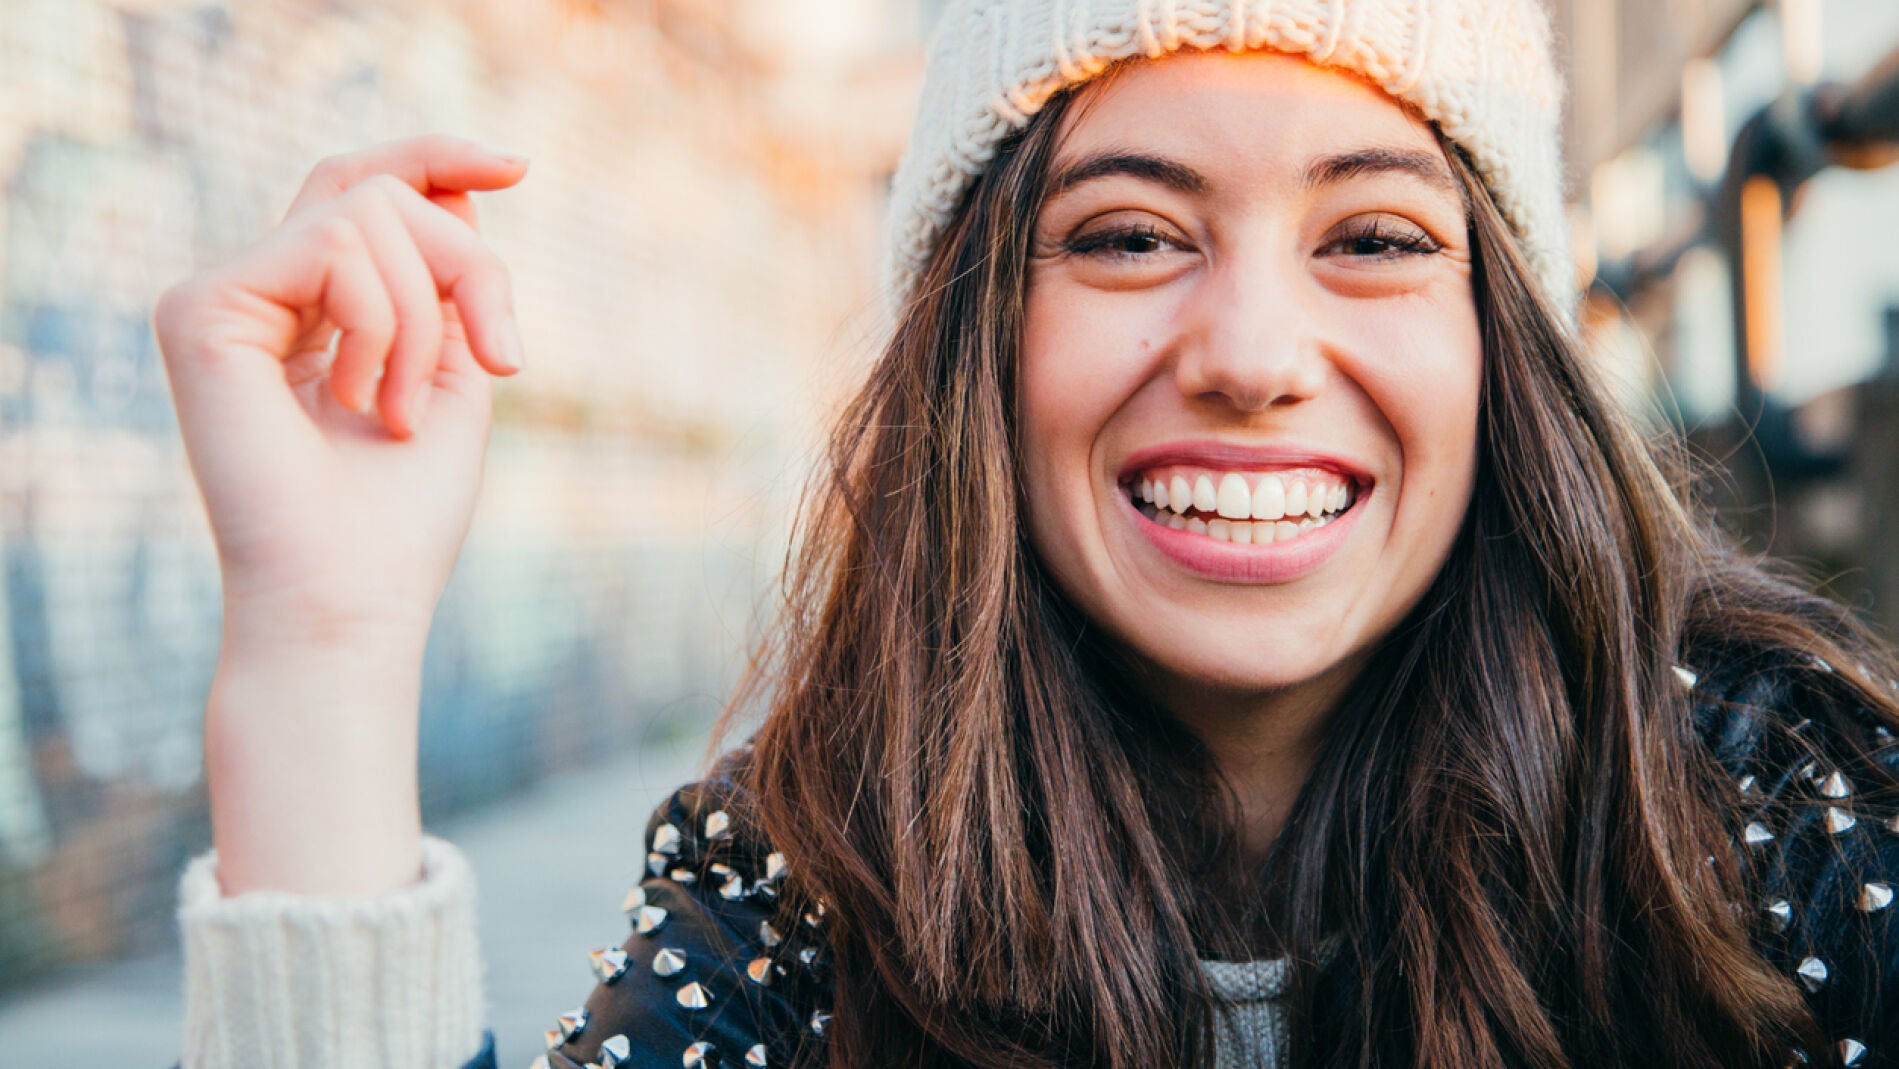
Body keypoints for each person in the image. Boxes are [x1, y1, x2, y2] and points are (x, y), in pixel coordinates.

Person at [154, 0, 1899, 1066]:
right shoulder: (806, 893)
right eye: (1132, 235)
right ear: (975, 337)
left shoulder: (1774, 828)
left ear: (1502, 343)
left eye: (1373, 237)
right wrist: (323, 644)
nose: (1251, 357)